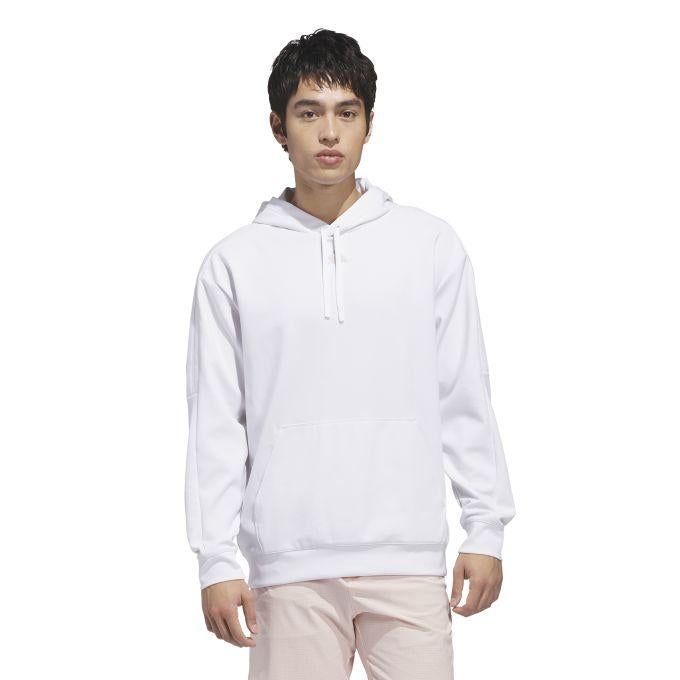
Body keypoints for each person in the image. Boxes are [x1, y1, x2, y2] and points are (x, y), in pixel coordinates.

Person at [184, 28, 516, 680]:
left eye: (347, 112)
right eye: (309, 113)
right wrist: (215, 559)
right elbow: (216, 421)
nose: (329, 133)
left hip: (408, 559)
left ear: (369, 124)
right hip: (288, 566)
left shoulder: (429, 245)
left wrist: (486, 527)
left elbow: (464, 395)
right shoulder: (234, 264)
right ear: (278, 127)